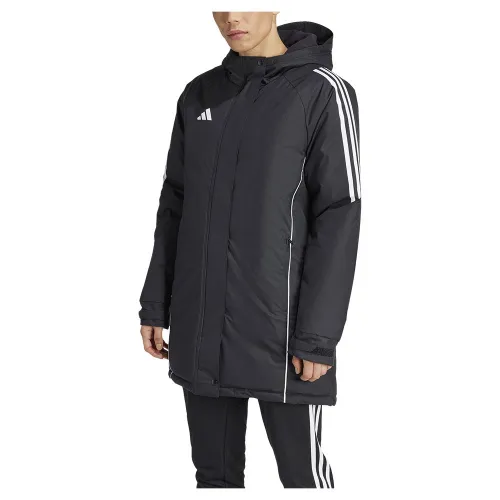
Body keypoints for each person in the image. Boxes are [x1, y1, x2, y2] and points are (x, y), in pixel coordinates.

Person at [139, 12, 361, 488]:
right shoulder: (200, 94)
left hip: (283, 335)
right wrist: (155, 303)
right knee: (214, 478)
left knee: (302, 478)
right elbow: (175, 202)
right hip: (201, 324)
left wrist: (317, 338)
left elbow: (339, 215)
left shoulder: (321, 91)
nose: (231, 17)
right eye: (219, 6)